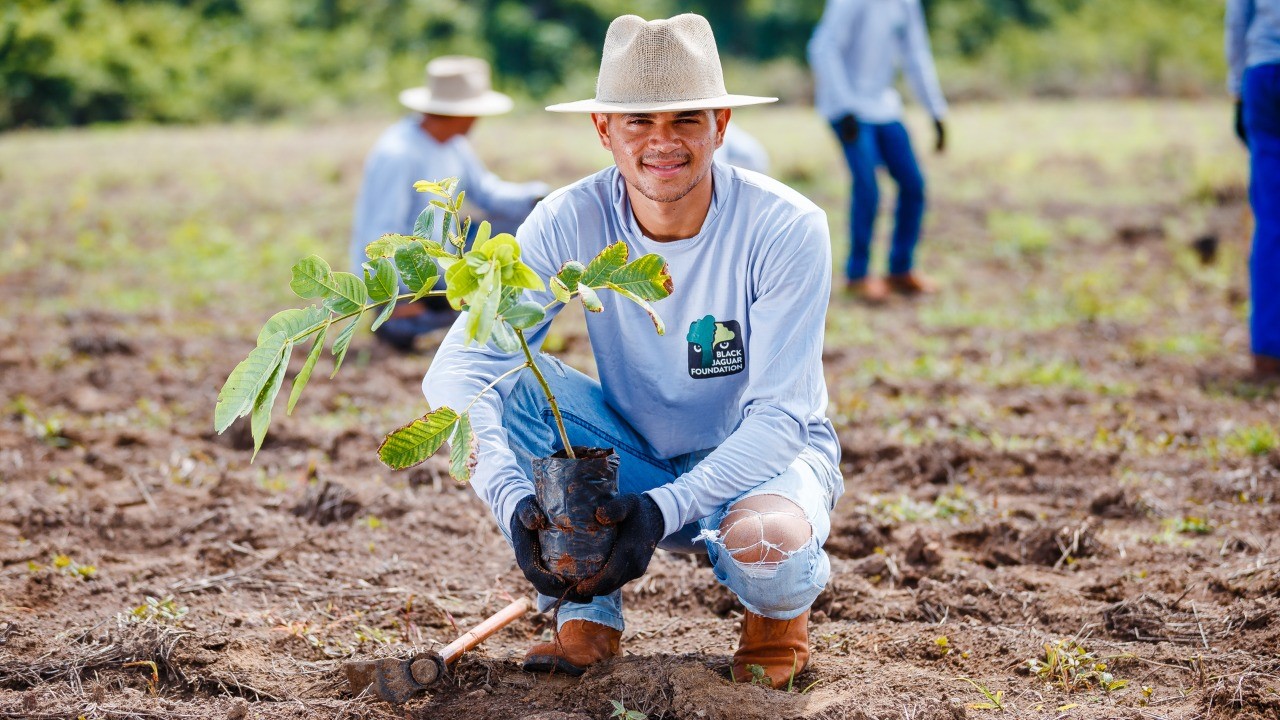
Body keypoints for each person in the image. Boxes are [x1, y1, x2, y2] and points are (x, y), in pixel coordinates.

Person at [423, 14, 843, 688]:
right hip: (631, 456)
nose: (662, 143)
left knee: (770, 547)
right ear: (603, 131)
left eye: (685, 121)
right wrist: (509, 502)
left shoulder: (785, 226)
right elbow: (459, 370)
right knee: (513, 387)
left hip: (756, 464)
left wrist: (661, 512)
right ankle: (585, 605)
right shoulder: (570, 218)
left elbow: (781, 419)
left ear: (721, 125)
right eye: (638, 123)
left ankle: (775, 620)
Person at [350, 56, 550, 351]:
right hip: (414, 280)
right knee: (400, 325)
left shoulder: (454, 144)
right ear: (463, 112)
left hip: (443, 260)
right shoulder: (398, 153)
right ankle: (410, 315)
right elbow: (380, 235)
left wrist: (539, 199)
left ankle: (480, 309)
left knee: (526, 226)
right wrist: (393, 297)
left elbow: (487, 192)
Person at [807, 0, 948, 302]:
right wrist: (845, 108)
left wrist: (935, 110)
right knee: (868, 186)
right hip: (847, 108)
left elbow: (916, 55)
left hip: (884, 106)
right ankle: (857, 275)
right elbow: (823, 47)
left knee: (913, 185)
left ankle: (901, 269)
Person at [1227, 0, 1280, 379]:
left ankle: (1269, 352)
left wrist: (1236, 89)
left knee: (1273, 221)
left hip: (1263, 72)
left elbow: (1237, 18)